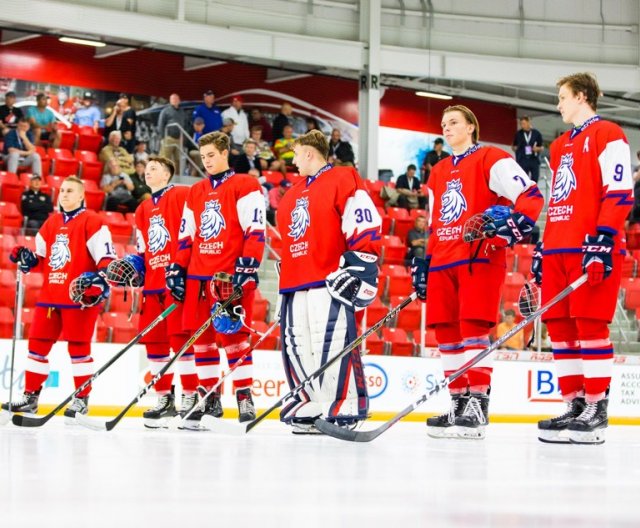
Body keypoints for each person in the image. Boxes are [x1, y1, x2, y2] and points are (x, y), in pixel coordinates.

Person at [411, 104, 543, 440]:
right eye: (443, 123)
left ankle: (477, 403)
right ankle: (457, 402)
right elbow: (435, 221)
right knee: (445, 332)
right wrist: (425, 263)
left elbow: (530, 195)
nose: (447, 127)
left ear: (471, 127)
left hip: (478, 255)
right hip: (443, 257)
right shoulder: (437, 171)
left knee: (472, 327)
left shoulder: (491, 158)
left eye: (454, 122)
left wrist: (515, 226)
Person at [534, 73, 632, 445]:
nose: (558, 104)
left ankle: (596, 406)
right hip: (558, 245)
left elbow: (620, 191)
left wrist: (604, 238)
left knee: (590, 327)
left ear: (581, 97)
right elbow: (560, 200)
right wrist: (543, 248)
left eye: (562, 97)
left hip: (590, 246)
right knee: (560, 331)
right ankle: (574, 404)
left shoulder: (609, 133)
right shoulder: (558, 147)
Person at [275, 130, 382, 434]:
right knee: (297, 344)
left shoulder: (341, 178)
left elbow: (362, 219)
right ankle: (309, 401)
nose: (293, 161)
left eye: (296, 154)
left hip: (329, 278)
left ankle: (344, 403)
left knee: (332, 341)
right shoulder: (291, 194)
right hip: (295, 281)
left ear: (309, 153)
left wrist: (362, 262)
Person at [171, 131, 266, 427]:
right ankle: (210, 396)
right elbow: (186, 236)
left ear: (225, 153)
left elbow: (255, 228)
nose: (207, 161)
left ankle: (243, 394)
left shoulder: (245, 185)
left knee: (234, 338)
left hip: (228, 276)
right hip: (198, 278)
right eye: (203, 157)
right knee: (203, 341)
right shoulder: (195, 191)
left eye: (211, 155)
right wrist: (176, 268)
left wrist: (248, 264)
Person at [1, 177, 115, 421]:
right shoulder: (52, 222)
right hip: (50, 296)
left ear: (82, 195)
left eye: (70, 191)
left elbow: (106, 258)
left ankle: (81, 399)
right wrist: (26, 257)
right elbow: (40, 257)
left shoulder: (93, 222)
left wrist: (101, 279)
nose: (63, 194)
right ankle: (31, 397)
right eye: (62, 190)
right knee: (37, 346)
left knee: (78, 349)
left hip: (80, 297)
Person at [117, 156, 198, 427]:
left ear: (166, 174)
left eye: (154, 169)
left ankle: (190, 395)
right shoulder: (142, 209)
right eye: (146, 169)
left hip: (175, 282)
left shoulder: (182, 194)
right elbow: (144, 249)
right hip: (151, 286)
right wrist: (133, 265)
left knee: (181, 341)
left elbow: (194, 233)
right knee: (155, 344)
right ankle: (163, 397)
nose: (147, 172)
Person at [158, 93, 188, 174]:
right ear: (170, 101)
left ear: (179, 100)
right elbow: (160, 124)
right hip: (168, 137)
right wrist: (162, 138)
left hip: (179, 139)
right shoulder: (165, 111)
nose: (174, 100)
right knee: (164, 158)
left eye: (176, 99)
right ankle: (162, 175)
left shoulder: (182, 112)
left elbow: (185, 124)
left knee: (178, 160)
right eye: (172, 99)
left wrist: (183, 137)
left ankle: (177, 177)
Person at [512, 116, 543, 183]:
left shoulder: (536, 133)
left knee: (535, 179)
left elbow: (541, 147)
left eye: (524, 123)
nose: (522, 126)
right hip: (522, 159)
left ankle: (533, 192)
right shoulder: (518, 134)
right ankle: (525, 193)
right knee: (523, 179)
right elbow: (514, 146)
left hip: (533, 159)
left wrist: (537, 148)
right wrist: (515, 148)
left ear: (529, 122)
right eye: (521, 124)